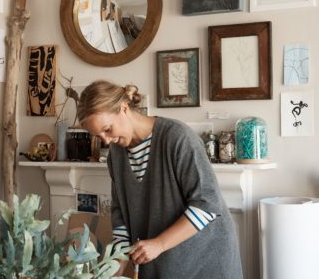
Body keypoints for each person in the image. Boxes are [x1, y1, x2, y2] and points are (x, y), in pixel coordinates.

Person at [77, 80, 243, 279]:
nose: (105, 140)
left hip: (205, 262)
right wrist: (117, 262)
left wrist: (160, 244)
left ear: (123, 108)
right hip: (162, 264)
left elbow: (208, 204)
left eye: (107, 129)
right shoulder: (116, 155)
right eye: (98, 136)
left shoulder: (178, 138)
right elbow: (120, 211)